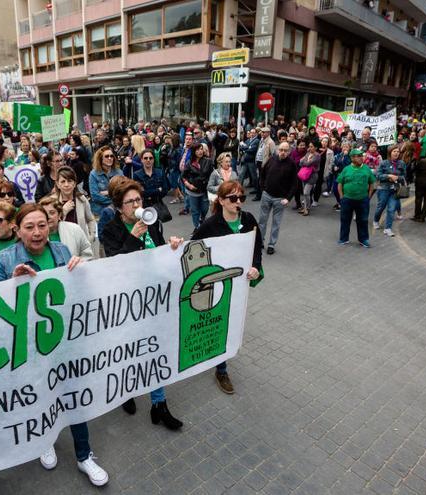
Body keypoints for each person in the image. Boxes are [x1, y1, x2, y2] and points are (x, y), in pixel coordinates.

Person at [0, 204, 109, 487]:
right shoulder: (5, 260)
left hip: (64, 343)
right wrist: (12, 284)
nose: (37, 232)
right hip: (30, 347)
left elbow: (78, 294)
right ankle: (44, 441)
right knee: (41, 398)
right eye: (29, 227)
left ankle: (84, 456)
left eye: (42, 225)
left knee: (74, 399)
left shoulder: (61, 252)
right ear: (17, 230)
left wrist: (82, 270)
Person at [99, 178, 184, 428]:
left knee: (155, 349)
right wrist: (134, 237)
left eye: (138, 200)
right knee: (129, 350)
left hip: (153, 296)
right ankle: (127, 392)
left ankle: (159, 404)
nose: (136, 204)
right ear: (118, 206)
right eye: (130, 202)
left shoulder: (151, 219)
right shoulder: (111, 230)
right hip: (127, 301)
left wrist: (171, 247)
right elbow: (115, 264)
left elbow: (158, 248)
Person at [192, 180, 263, 394]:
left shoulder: (249, 219)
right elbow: (193, 246)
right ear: (221, 200)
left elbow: (257, 246)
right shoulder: (210, 224)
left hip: (239, 282)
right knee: (217, 321)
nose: (238, 202)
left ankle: (221, 363)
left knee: (232, 321)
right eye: (233, 198)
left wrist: (256, 267)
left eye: (241, 197)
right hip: (216, 284)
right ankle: (220, 367)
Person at [257, 141, 298, 254]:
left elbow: (294, 184)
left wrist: (288, 198)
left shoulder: (292, 164)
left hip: (280, 199)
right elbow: (263, 173)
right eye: (281, 150)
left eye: (285, 150)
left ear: (289, 152)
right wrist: (263, 189)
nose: (283, 152)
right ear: (277, 150)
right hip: (267, 195)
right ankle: (260, 242)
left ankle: (271, 245)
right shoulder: (272, 159)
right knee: (262, 221)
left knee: (276, 223)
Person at [337, 149, 376, 247]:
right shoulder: (346, 169)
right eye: (358, 156)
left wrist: (368, 196)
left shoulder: (366, 169)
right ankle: (343, 238)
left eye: (361, 156)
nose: (361, 158)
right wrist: (342, 197)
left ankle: (363, 240)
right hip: (347, 199)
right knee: (345, 219)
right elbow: (340, 183)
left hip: (362, 200)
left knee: (363, 220)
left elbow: (372, 183)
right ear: (352, 158)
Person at [373, 146, 406, 237]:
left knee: (391, 209)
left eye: (398, 151)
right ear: (390, 152)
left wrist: (397, 178)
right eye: (394, 151)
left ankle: (388, 228)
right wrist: (388, 176)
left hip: (395, 190)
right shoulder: (384, 163)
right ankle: (376, 220)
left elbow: (404, 177)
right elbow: (378, 175)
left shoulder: (402, 163)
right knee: (381, 207)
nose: (396, 153)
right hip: (383, 188)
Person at [182, 143, 213, 230]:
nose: (200, 151)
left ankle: (202, 220)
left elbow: (212, 175)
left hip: (204, 190)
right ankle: (197, 227)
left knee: (205, 208)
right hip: (193, 191)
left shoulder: (208, 161)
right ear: (194, 151)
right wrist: (189, 185)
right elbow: (183, 176)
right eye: (198, 149)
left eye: (201, 149)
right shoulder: (189, 163)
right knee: (195, 210)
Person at [88, 145, 123, 216]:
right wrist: (114, 199)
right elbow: (95, 196)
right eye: (107, 156)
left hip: (117, 211)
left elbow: (123, 191)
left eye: (111, 156)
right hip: (100, 211)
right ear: (100, 159)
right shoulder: (94, 174)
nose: (110, 158)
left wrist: (108, 192)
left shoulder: (119, 172)